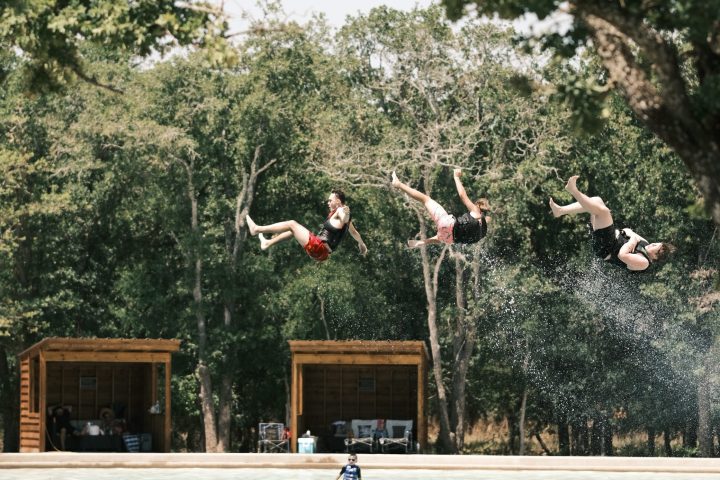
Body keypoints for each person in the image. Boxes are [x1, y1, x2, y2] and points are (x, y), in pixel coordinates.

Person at [549, 175, 675, 271]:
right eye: (655, 243)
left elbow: (622, 255)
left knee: (604, 212)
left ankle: (573, 191)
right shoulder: (645, 244)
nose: (651, 244)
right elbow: (627, 230)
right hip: (608, 238)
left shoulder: (644, 263)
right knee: (597, 200)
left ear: (656, 257)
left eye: (654, 247)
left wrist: (632, 241)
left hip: (606, 248)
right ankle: (560, 211)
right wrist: (632, 238)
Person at [246, 189, 367, 262]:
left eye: (330, 200)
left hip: (318, 248)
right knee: (293, 230)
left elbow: (343, 217)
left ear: (338, 201)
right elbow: (354, 233)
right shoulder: (343, 216)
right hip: (322, 254)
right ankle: (267, 243)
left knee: (292, 224)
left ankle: (256, 229)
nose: (328, 202)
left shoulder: (341, 210)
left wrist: (345, 214)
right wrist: (361, 244)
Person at [391, 169, 490, 248]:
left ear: (478, 205)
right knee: (442, 237)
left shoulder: (476, 211)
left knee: (426, 200)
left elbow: (462, 195)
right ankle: (423, 242)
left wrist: (456, 177)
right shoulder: (483, 229)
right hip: (449, 239)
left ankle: (398, 184)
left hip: (447, 224)